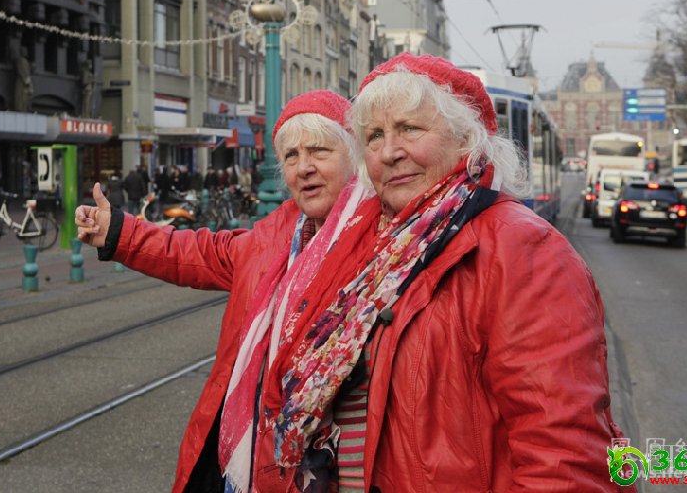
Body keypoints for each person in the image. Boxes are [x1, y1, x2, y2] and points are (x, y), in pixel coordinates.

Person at [248, 53, 631, 492]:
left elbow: (563, 459)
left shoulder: (523, 250)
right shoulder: (375, 243)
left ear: (467, 138)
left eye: (410, 128)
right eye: (374, 136)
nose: (389, 152)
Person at [74, 90, 359, 493]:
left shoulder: (383, 244)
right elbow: (195, 252)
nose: (304, 167)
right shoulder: (271, 239)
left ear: (354, 156)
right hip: (246, 452)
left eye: (320, 150)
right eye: (292, 156)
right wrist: (119, 233)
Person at [14, 47, 34, 112]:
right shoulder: (21, 61)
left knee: (25, 96)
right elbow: (23, 72)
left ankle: (24, 108)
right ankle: (21, 109)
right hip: (22, 82)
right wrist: (28, 82)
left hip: (25, 81)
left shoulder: (24, 61)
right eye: (24, 51)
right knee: (21, 96)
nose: (26, 52)